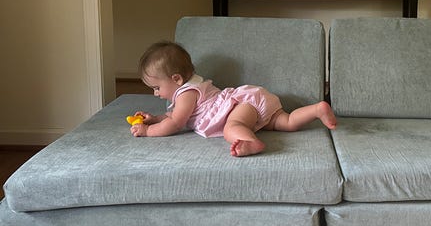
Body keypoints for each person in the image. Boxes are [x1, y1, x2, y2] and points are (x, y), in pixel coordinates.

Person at [129, 41, 337, 157]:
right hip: (251, 102)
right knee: (287, 122)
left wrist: (148, 131)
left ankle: (250, 141)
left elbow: (175, 122)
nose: (156, 93)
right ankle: (316, 110)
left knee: (232, 127)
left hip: (239, 106)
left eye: (157, 87)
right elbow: (172, 115)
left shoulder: (186, 93)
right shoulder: (191, 87)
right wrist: (154, 118)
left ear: (176, 79)